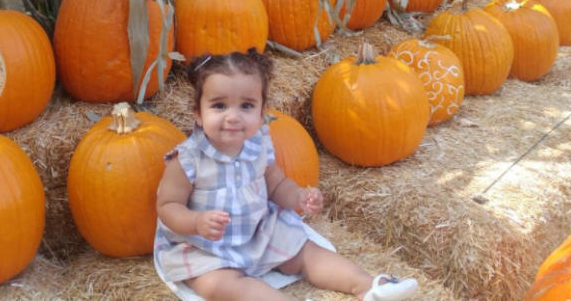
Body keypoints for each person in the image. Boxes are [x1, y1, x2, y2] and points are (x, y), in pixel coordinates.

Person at [154, 49, 418, 301]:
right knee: (216, 286)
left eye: (246, 106)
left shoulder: (258, 144)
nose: (233, 116)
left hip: (258, 231)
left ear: (262, 112)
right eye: (220, 106)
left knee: (305, 251)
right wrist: (196, 222)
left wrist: (298, 196)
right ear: (198, 114)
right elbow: (168, 206)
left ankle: (369, 286)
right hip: (206, 247)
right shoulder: (187, 159)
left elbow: (277, 184)